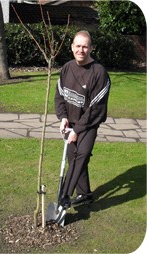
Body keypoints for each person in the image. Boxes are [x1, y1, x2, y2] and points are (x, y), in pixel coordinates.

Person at [55, 30, 111, 208]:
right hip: (69, 123)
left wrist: (77, 130)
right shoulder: (67, 68)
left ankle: (64, 196)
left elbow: (96, 108)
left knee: (82, 155)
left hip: (88, 125)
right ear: (72, 47)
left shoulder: (99, 73)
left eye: (85, 46)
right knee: (74, 160)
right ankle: (85, 194)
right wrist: (63, 117)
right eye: (77, 46)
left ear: (91, 48)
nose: (81, 50)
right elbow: (60, 95)